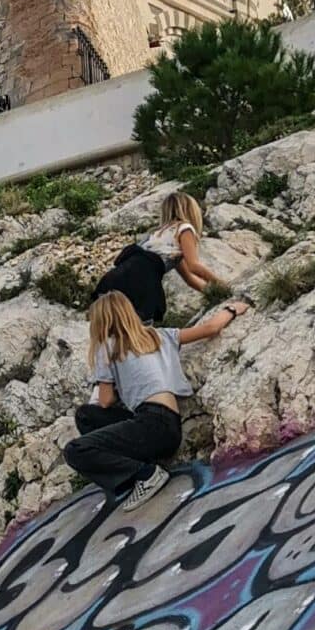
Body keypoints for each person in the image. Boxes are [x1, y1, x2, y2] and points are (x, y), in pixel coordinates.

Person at [63, 289, 251, 505]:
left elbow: (105, 401)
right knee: (86, 415)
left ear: (100, 323)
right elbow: (210, 328)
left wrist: (117, 384)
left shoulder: (107, 347)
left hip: (148, 424)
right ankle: (137, 466)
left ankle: (144, 475)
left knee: (75, 450)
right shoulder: (159, 335)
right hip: (170, 426)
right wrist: (232, 309)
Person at [91, 190, 215, 327]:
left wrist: (213, 292)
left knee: (116, 328)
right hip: (140, 282)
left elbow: (189, 279)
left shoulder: (159, 236)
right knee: (140, 330)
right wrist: (222, 286)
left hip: (114, 279)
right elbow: (194, 266)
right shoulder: (184, 228)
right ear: (191, 211)